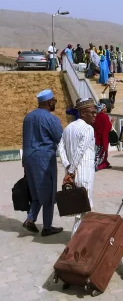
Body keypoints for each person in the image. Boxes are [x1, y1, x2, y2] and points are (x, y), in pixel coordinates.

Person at [22, 89, 63, 236]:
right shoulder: (51, 119)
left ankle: (30, 219)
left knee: (36, 193)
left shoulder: (28, 117)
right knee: (49, 194)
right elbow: (61, 139)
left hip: (28, 159)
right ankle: (47, 227)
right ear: (50, 102)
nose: (54, 104)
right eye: (54, 101)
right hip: (44, 160)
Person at [58, 98, 97, 237]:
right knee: (84, 207)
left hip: (72, 173)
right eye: (91, 112)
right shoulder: (88, 129)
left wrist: (67, 165)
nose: (94, 115)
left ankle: (81, 237)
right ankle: (77, 240)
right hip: (82, 173)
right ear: (82, 113)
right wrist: (71, 170)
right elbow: (80, 151)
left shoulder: (68, 127)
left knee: (81, 207)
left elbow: (60, 148)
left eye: (95, 112)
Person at [94, 103, 115, 170]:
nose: (106, 109)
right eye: (105, 108)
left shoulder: (95, 116)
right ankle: (100, 165)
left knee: (97, 152)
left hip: (96, 137)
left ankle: (100, 163)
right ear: (102, 109)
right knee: (103, 152)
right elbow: (108, 128)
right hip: (103, 137)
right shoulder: (105, 117)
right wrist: (111, 122)